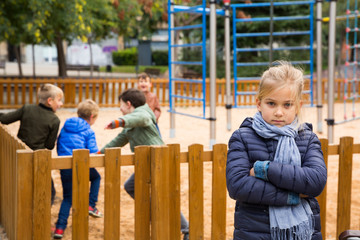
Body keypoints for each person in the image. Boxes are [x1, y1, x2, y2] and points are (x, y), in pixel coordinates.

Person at [226, 61, 327, 240]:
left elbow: (315, 181)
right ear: (259, 103)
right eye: (271, 103)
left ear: (298, 106)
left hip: (303, 233)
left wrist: (264, 169)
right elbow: (238, 186)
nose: (279, 112)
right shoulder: (242, 137)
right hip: (254, 233)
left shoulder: (308, 138)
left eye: (287, 105)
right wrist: (293, 195)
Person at [101, 88, 189, 240]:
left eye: (121, 106)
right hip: (148, 163)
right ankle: (156, 211)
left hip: (159, 161)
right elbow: (118, 140)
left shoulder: (144, 113)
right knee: (131, 187)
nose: (120, 109)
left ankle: (187, 229)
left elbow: (139, 118)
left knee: (165, 198)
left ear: (128, 104)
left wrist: (118, 122)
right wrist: (99, 153)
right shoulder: (130, 123)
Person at [0, 83, 63, 206]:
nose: (61, 104)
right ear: (50, 101)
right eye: (59, 100)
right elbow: (49, 146)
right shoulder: (54, 120)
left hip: (19, 155)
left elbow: (4, 119)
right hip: (38, 159)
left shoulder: (27, 109)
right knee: (49, 191)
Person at [53, 99, 103, 239]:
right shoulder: (88, 130)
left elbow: (59, 143)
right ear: (92, 117)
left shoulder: (66, 126)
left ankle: (59, 229)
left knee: (68, 197)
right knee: (96, 177)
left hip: (66, 165)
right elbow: (93, 151)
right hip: (81, 165)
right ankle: (91, 205)